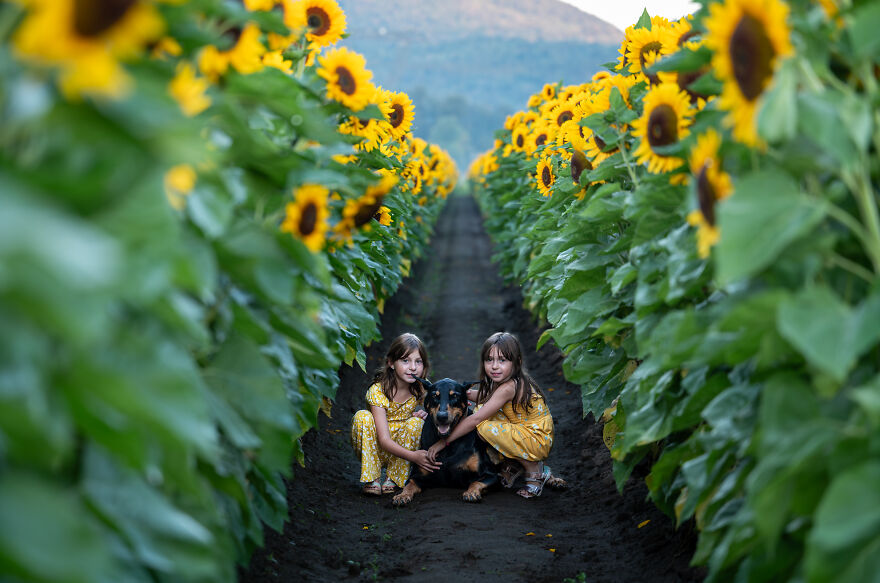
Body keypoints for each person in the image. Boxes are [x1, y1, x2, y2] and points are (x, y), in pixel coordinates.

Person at [427, 331, 565, 498]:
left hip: (535, 438)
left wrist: (442, 443)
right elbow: (488, 398)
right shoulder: (505, 382)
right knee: (484, 409)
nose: (494, 366)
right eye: (489, 359)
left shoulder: (509, 387)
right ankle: (514, 464)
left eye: (502, 360)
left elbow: (476, 419)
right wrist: (462, 394)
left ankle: (535, 470)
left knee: (482, 424)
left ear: (517, 362)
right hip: (528, 432)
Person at [351, 333, 440, 495]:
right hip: (376, 445)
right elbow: (384, 440)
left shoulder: (419, 387)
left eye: (418, 362)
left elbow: (441, 399)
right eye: (405, 361)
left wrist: (460, 398)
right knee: (362, 416)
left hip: (399, 446)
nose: (412, 367)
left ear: (424, 365)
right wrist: (414, 457)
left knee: (416, 423)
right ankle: (373, 478)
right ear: (391, 363)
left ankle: (394, 477)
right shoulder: (378, 391)